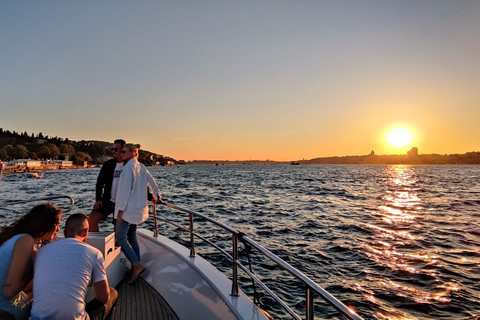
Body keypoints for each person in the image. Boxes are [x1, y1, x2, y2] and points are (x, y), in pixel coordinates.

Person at [30, 213, 118, 320]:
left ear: (65, 233)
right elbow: (103, 298)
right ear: (86, 232)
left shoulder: (41, 252)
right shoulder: (94, 253)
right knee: (112, 294)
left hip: (37, 318)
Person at [0, 204, 62, 320]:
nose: (58, 229)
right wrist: (36, 268)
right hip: (5, 309)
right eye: (57, 224)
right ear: (45, 224)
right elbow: (9, 291)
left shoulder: (16, 238)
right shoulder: (25, 241)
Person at [115, 143, 161, 284]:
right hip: (139, 209)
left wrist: (120, 211)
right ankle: (136, 265)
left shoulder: (128, 168)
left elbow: (124, 191)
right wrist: (157, 196)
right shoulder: (142, 166)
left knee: (120, 237)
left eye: (124, 152)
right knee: (132, 236)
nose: (121, 154)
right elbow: (152, 183)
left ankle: (136, 264)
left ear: (133, 153)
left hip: (128, 209)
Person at [88, 139, 126, 232]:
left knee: (118, 228)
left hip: (123, 203)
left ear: (123, 150)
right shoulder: (108, 164)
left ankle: (117, 244)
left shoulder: (130, 165)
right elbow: (100, 182)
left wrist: (151, 197)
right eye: (112, 149)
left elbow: (140, 183)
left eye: (116, 149)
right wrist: (98, 199)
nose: (113, 151)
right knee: (92, 220)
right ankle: (95, 245)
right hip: (107, 200)